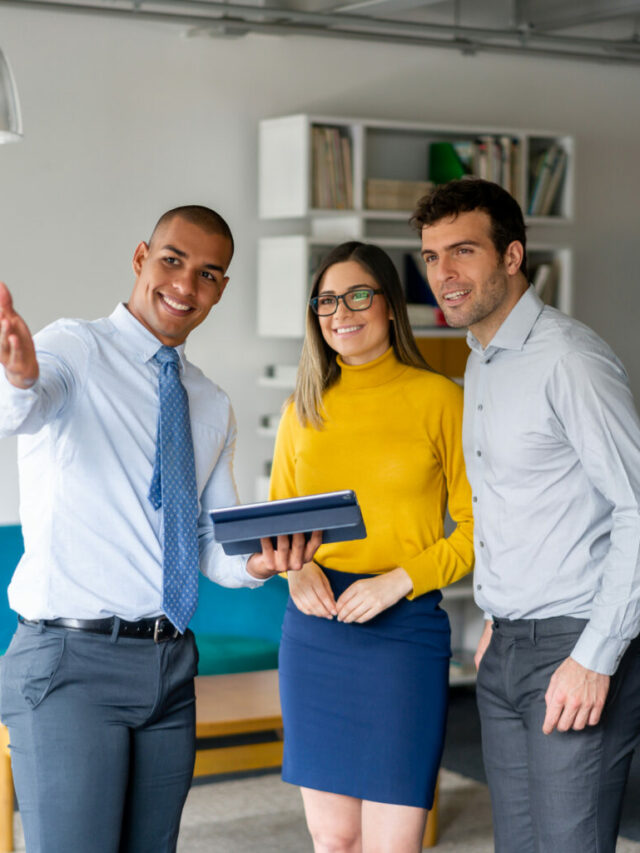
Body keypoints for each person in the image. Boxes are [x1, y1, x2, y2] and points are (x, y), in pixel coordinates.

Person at [0, 205, 319, 853]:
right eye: (172, 260)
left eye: (207, 273)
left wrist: (257, 564)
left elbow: (212, 542)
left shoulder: (208, 401)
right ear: (141, 256)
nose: (185, 285)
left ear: (221, 289)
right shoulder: (73, 347)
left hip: (171, 665)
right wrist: (18, 374)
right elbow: (25, 407)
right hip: (71, 665)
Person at [411, 178, 640, 853]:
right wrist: (497, 617)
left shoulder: (569, 358)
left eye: (462, 252)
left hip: (576, 645)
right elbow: (514, 505)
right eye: (429, 257)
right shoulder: (481, 359)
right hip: (506, 646)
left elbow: (637, 505)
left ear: (512, 256)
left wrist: (595, 656)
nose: (443, 275)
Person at [269, 240, 474, 853]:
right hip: (316, 633)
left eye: (358, 294)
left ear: (389, 305)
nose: (341, 311)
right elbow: (278, 528)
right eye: (327, 300)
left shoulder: (440, 398)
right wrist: (294, 573)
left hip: (404, 632)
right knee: (332, 839)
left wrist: (400, 580)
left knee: (394, 844)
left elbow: (476, 528)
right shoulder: (301, 408)